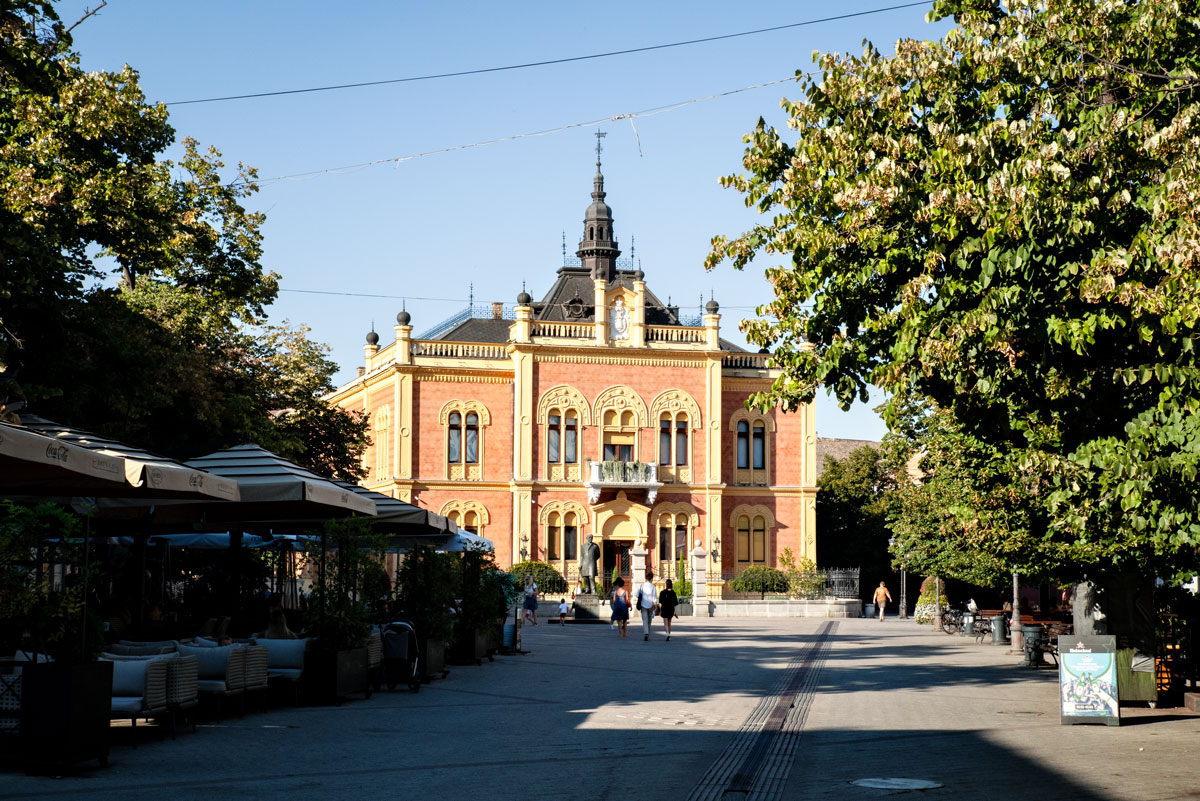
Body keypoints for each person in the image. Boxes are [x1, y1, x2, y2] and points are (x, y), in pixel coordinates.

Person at [637, 569, 659, 641]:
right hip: (651, 606)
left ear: (646, 578)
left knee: (644, 620)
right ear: (652, 578)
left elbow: (637, 595)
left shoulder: (642, 586)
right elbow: (654, 599)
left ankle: (646, 633)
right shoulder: (653, 587)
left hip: (643, 605)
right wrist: (655, 607)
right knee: (649, 620)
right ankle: (648, 633)